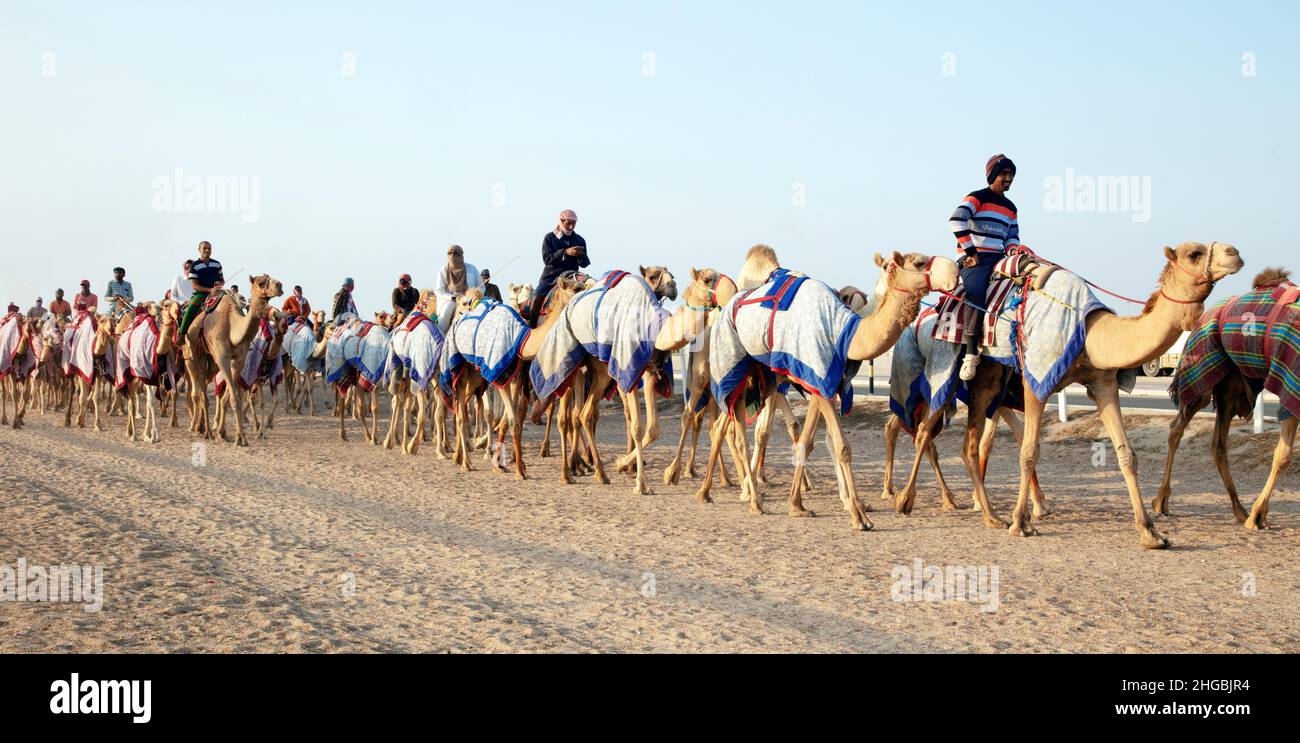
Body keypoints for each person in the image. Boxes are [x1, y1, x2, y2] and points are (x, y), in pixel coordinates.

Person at [950, 154, 1021, 381]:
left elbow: (1012, 237)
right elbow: (956, 220)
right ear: (993, 175)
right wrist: (970, 251)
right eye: (1004, 174)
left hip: (999, 257)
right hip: (975, 259)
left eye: (1011, 174)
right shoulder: (976, 197)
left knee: (1023, 283)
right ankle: (970, 352)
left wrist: (1013, 251)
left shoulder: (1011, 207)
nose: (1008, 178)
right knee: (976, 293)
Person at [527, 209, 589, 326]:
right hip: (551, 277)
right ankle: (530, 329)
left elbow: (584, 264)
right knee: (536, 298)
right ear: (561, 221)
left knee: (589, 289)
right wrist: (565, 252)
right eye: (568, 223)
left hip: (571, 276)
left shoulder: (580, 240)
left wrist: (580, 255)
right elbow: (547, 259)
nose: (571, 226)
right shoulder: (549, 238)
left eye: (573, 223)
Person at [179, 241, 224, 338]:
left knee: (233, 302)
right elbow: (194, 285)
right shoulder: (194, 266)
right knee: (191, 307)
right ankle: (182, 334)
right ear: (199, 250)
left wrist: (219, 284)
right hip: (202, 294)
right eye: (205, 248)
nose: (207, 250)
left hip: (217, 293)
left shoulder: (217, 264)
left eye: (209, 248)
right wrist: (210, 290)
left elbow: (222, 279)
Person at [434, 245, 483, 330]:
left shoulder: (472, 269)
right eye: (450, 253)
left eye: (456, 253)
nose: (453, 255)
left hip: (470, 300)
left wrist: (475, 294)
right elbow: (439, 291)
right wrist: (453, 298)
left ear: (462, 255)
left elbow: (481, 287)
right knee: (444, 317)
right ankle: (441, 336)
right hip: (451, 300)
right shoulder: (443, 271)